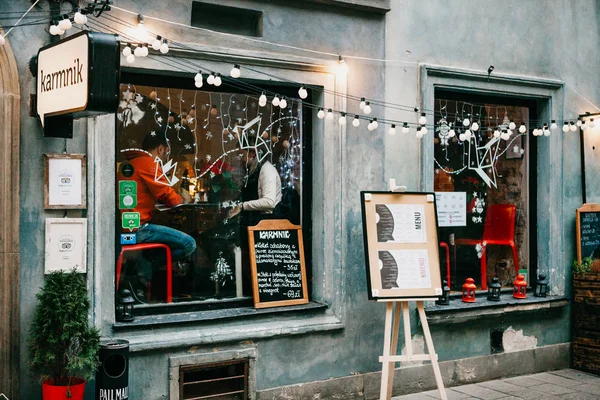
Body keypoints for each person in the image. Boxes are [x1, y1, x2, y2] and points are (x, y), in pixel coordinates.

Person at [118, 134, 197, 289]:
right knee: (190, 244)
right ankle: (145, 266)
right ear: (161, 149)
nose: (167, 158)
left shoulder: (130, 163)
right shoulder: (148, 163)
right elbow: (167, 195)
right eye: (167, 153)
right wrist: (184, 199)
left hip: (126, 228)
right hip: (139, 228)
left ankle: (141, 267)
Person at [228, 145, 282, 224]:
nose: (241, 159)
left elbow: (269, 202)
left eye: (242, 155)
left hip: (264, 223)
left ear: (252, 153)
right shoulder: (254, 170)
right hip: (253, 221)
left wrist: (242, 206)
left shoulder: (267, 170)